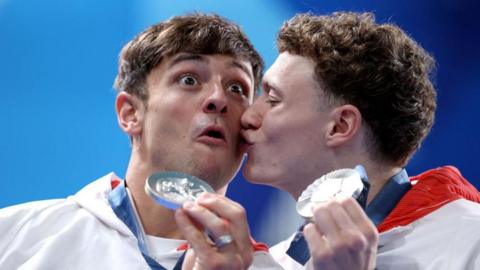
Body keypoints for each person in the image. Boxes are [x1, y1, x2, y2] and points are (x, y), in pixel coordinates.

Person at [0, 13, 283, 270]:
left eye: (237, 88)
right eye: (188, 80)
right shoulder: (15, 237)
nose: (218, 99)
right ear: (130, 113)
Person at [240, 12, 480, 269]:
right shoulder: (278, 261)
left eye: (273, 100)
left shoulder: (469, 240)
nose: (248, 116)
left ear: (340, 126)